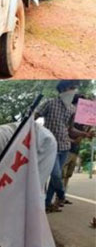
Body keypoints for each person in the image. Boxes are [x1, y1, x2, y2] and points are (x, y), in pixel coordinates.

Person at [37, 81, 89, 213]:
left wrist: (85, 133)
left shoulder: (72, 109)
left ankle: (47, 204)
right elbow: (35, 116)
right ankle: (61, 196)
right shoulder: (49, 103)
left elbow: (70, 130)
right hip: (50, 146)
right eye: (71, 88)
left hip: (65, 146)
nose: (74, 91)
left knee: (55, 179)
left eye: (74, 88)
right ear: (63, 90)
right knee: (56, 175)